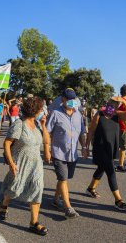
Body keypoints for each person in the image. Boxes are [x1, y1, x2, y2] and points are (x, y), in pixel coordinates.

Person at [0, 97, 51, 236]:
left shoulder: (37, 124)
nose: (42, 111)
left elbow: (46, 140)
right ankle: (5, 202)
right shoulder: (19, 124)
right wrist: (11, 163)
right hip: (20, 163)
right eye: (41, 109)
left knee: (37, 187)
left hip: (36, 164)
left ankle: (34, 223)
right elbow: (7, 143)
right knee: (14, 189)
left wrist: (44, 125)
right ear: (35, 110)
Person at [85, 96, 126, 211]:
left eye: (116, 104)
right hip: (100, 147)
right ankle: (118, 200)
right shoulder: (99, 114)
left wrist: (123, 101)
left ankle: (90, 188)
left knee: (102, 168)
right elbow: (91, 130)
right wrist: (86, 146)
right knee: (111, 170)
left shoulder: (118, 115)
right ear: (108, 102)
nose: (113, 105)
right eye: (112, 103)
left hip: (111, 147)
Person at [46, 88, 86, 219]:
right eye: (68, 99)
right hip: (58, 153)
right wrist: (46, 149)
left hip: (72, 154)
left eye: (73, 99)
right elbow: (47, 131)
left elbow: (81, 133)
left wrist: (84, 146)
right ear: (62, 99)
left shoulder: (78, 115)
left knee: (64, 178)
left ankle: (55, 200)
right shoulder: (55, 113)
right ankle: (68, 207)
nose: (71, 101)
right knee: (63, 179)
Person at [116, 84, 126, 172]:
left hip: (118, 126)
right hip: (123, 127)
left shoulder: (118, 101)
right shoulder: (124, 102)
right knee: (123, 147)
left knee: (119, 147)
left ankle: (119, 163)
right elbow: (124, 116)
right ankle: (120, 165)